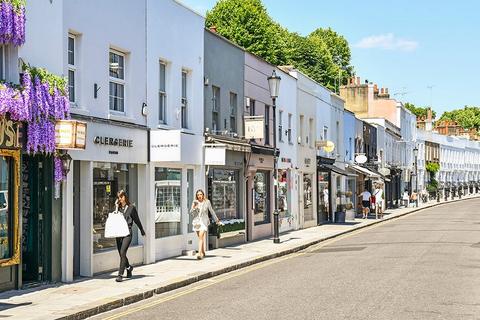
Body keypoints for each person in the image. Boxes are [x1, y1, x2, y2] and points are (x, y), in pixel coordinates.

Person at [115, 190, 145, 282]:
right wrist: (116, 207)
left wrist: (142, 230)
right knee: (121, 254)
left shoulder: (131, 208)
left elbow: (137, 220)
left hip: (127, 233)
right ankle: (129, 268)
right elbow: (115, 218)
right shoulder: (118, 208)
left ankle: (120, 274)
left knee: (123, 252)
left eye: (121, 196)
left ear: (125, 197)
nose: (120, 199)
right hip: (119, 233)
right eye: (119, 197)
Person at [190, 189, 220, 260]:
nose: (199, 196)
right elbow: (191, 213)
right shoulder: (195, 202)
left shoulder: (207, 202)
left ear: (203, 195)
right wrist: (194, 207)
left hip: (204, 221)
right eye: (198, 195)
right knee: (200, 238)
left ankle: (200, 254)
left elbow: (211, 211)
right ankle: (203, 251)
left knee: (201, 236)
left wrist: (216, 220)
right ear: (196, 196)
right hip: (197, 222)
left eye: (200, 194)